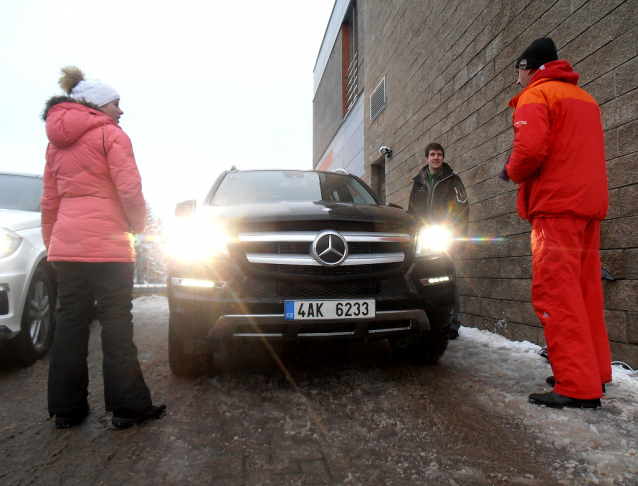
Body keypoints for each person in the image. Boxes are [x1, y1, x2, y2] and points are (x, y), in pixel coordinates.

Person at [41, 66, 166, 429]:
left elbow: (49, 199)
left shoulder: (55, 144)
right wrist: (138, 226)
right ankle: (128, 408)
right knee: (115, 323)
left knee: (69, 324)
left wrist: (54, 243)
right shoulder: (111, 135)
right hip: (109, 248)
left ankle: (66, 409)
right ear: (97, 106)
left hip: (68, 248)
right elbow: (129, 189)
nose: (121, 110)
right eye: (116, 103)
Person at [502, 38, 611, 409]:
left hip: (556, 208)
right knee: (584, 292)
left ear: (528, 67)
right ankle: (593, 373)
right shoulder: (587, 99)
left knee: (556, 294)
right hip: (587, 207)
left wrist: (510, 171)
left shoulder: (537, 95)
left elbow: (530, 150)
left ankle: (578, 385)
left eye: (518, 71)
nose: (517, 79)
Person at [408, 143, 469, 340]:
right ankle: (428, 318)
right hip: (422, 242)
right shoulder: (418, 183)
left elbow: (462, 210)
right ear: (426, 158)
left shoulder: (453, 181)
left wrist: (459, 239)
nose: (436, 158)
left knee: (448, 278)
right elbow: (410, 213)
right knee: (422, 278)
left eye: (439, 154)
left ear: (443, 157)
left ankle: (453, 323)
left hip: (445, 238)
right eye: (432, 154)